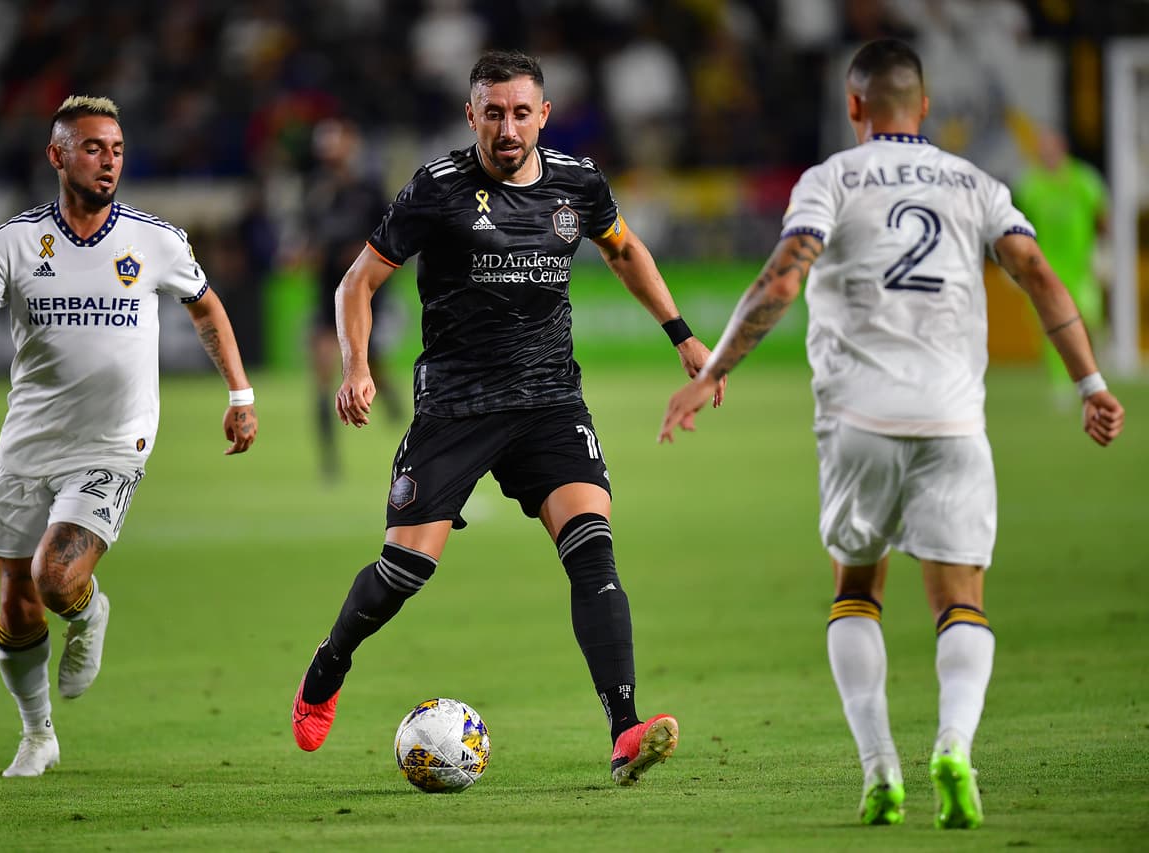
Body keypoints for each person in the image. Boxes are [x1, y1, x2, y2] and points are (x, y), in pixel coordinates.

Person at [658, 39, 1124, 828]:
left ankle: (880, 769)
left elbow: (783, 276)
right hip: (952, 420)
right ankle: (955, 746)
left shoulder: (832, 179)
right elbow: (1041, 274)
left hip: (857, 422)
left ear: (853, 106)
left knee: (855, 589)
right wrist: (1092, 382)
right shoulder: (976, 182)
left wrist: (714, 369)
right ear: (926, 106)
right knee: (961, 602)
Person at [290, 49, 724, 785]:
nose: (508, 127)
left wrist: (681, 334)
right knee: (404, 570)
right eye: (493, 112)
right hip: (458, 404)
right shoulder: (437, 188)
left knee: (592, 548)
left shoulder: (577, 184)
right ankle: (329, 663)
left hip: (550, 399)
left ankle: (625, 728)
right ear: (472, 115)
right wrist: (357, 367)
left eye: (522, 112)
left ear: (543, 115)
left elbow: (624, 251)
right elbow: (356, 284)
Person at [0, 95, 258, 778]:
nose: (107, 160)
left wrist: (240, 393)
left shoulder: (154, 239)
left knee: (53, 577)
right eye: (91, 148)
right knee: (16, 602)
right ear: (57, 156)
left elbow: (207, 307)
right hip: (28, 441)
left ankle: (88, 610)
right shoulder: (13, 241)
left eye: (115, 149)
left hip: (115, 441)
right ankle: (37, 733)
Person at [297, 117, 402, 481]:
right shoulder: (314, 190)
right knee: (323, 372)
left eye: (333, 142)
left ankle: (393, 407)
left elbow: (391, 238)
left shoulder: (369, 191)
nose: (327, 151)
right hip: (326, 292)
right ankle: (329, 460)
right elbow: (307, 234)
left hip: (363, 295)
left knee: (369, 363)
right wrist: (303, 253)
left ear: (349, 145)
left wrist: (359, 255)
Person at [1012, 126, 1109, 404]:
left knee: (1088, 321)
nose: (1047, 152)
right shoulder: (1030, 184)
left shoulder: (1083, 180)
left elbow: (1101, 215)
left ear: (1062, 148)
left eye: (1051, 146)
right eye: (1043, 147)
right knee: (1053, 326)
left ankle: (1092, 370)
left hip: (1081, 268)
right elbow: (1018, 223)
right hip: (1045, 269)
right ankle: (1062, 383)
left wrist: (1103, 250)